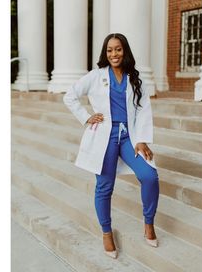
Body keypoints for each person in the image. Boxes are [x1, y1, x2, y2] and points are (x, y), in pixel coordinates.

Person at [63, 33, 159, 259]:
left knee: (149, 176)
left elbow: (144, 110)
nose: (114, 54)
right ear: (105, 53)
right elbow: (70, 96)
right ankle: (106, 232)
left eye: (117, 49)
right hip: (105, 136)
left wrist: (142, 139)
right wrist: (86, 117)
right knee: (104, 186)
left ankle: (148, 223)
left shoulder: (135, 78)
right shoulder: (96, 76)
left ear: (124, 50)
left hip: (129, 136)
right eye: (109, 50)